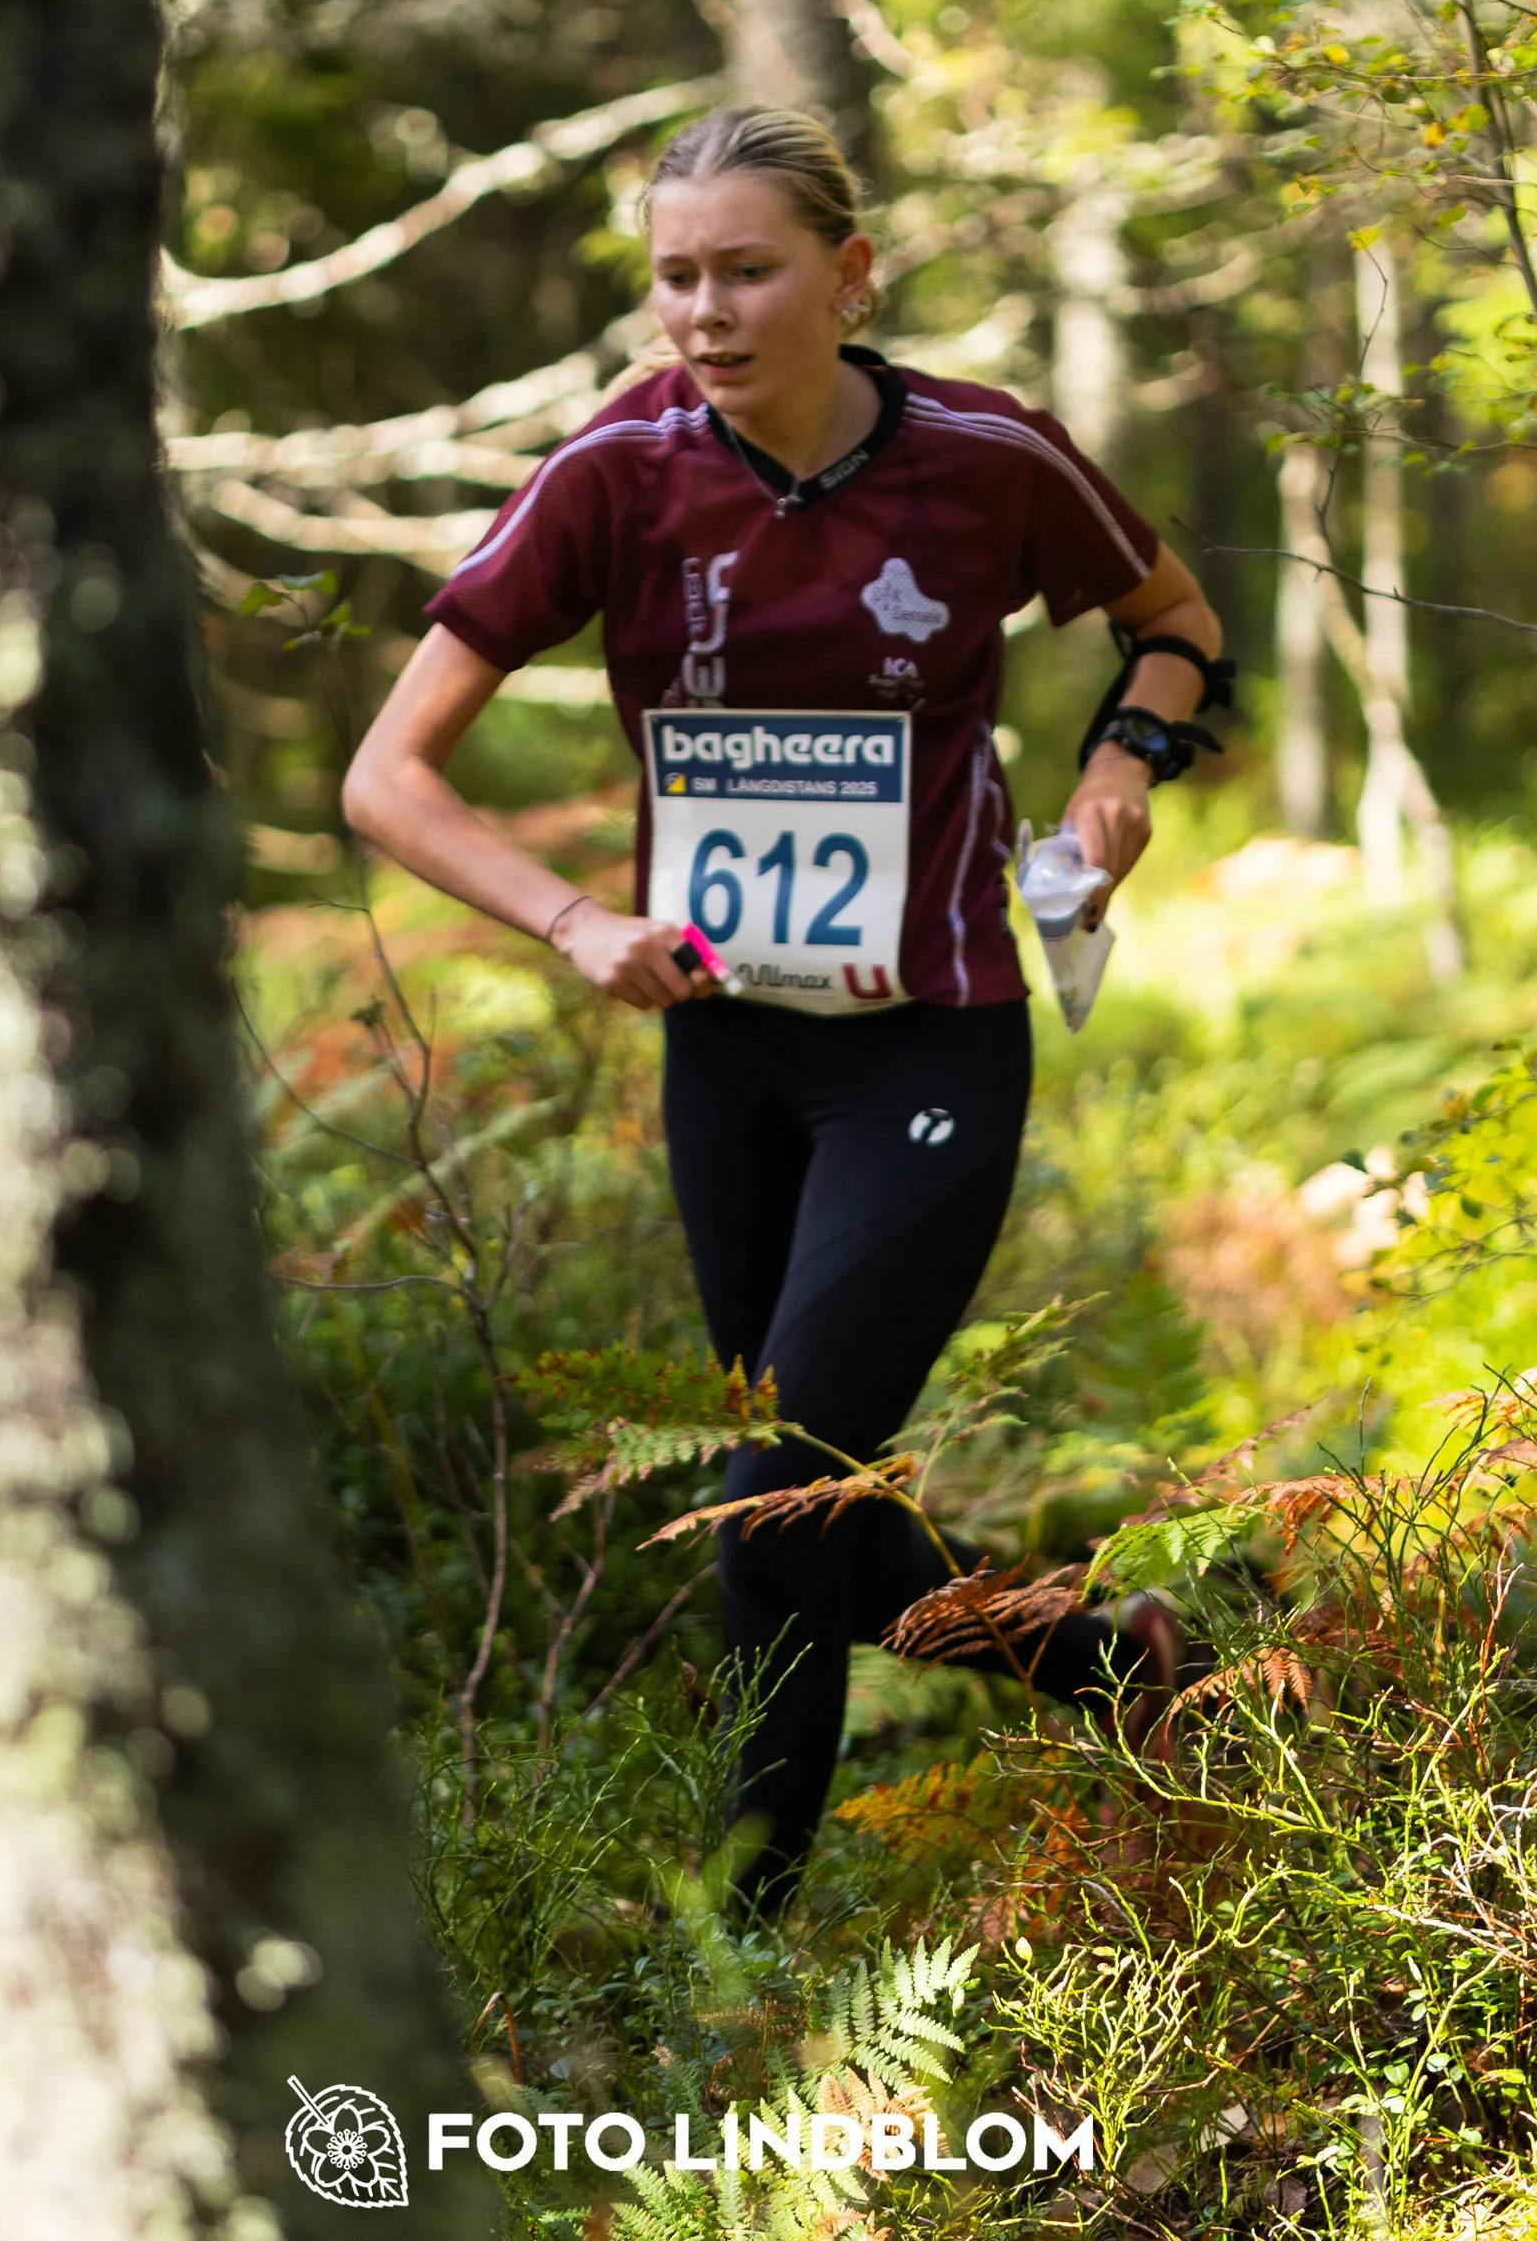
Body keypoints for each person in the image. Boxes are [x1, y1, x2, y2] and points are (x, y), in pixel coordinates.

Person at [342, 105, 1230, 1915]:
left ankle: (742, 1949)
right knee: (815, 1495)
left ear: (849, 274)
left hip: (931, 1032)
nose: (705, 311)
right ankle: (1123, 1675)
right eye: (675, 276)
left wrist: (1124, 767)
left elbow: (1176, 621)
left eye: (746, 270)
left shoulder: (988, 456)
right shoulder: (619, 472)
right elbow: (387, 777)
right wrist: (573, 918)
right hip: (725, 1049)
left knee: (769, 1493)